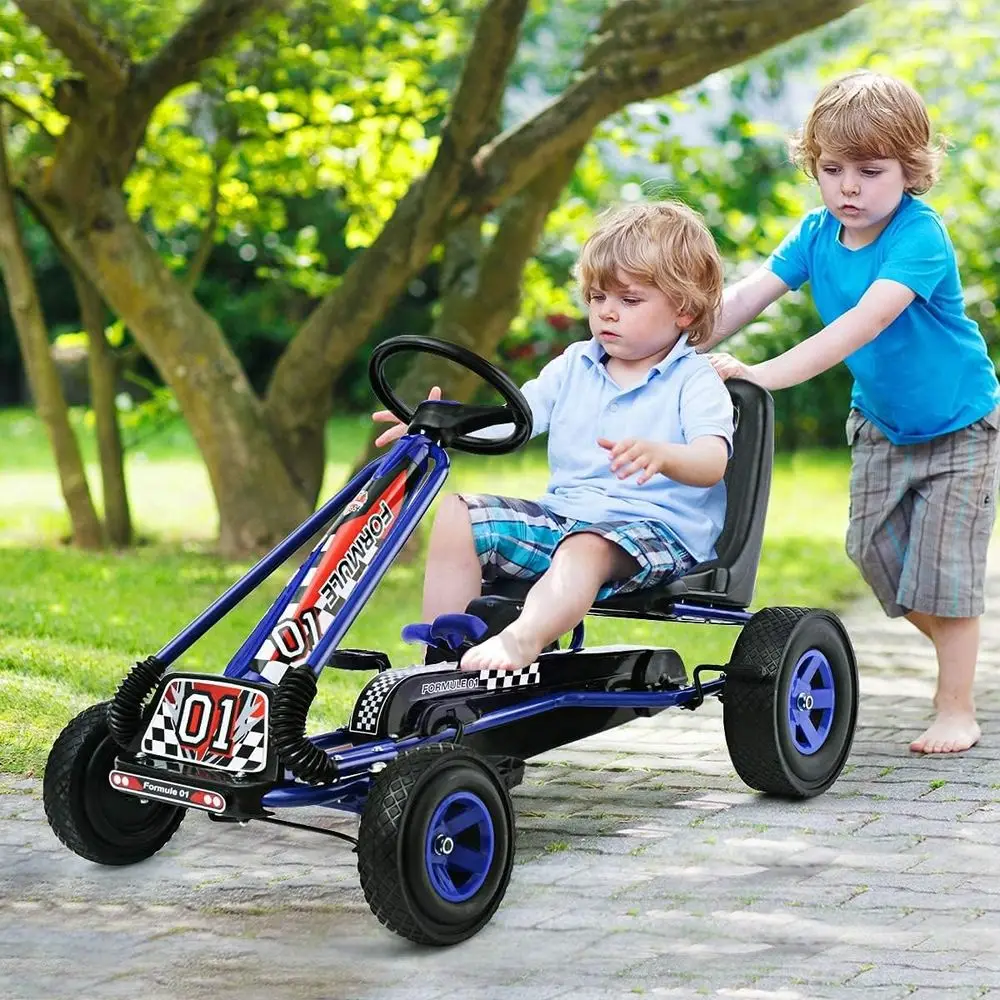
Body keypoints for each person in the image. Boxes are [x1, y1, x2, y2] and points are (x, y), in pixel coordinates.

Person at [702, 71, 1000, 755]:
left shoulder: (918, 237)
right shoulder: (816, 235)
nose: (849, 188)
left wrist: (759, 376)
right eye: (832, 170)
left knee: (943, 576)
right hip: (881, 426)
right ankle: (962, 640)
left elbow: (860, 326)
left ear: (911, 169)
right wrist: (667, 343)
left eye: (870, 170)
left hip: (961, 428)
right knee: (873, 557)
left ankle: (955, 706)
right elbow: (748, 297)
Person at [373, 200, 734, 672]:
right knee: (459, 513)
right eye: (598, 298)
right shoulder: (573, 365)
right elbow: (516, 419)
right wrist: (442, 424)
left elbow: (712, 463)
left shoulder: (694, 379)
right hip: (565, 517)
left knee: (584, 545)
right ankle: (443, 657)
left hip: (656, 531)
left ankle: (521, 641)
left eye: (629, 301)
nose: (607, 313)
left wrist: (664, 455)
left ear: (684, 310)